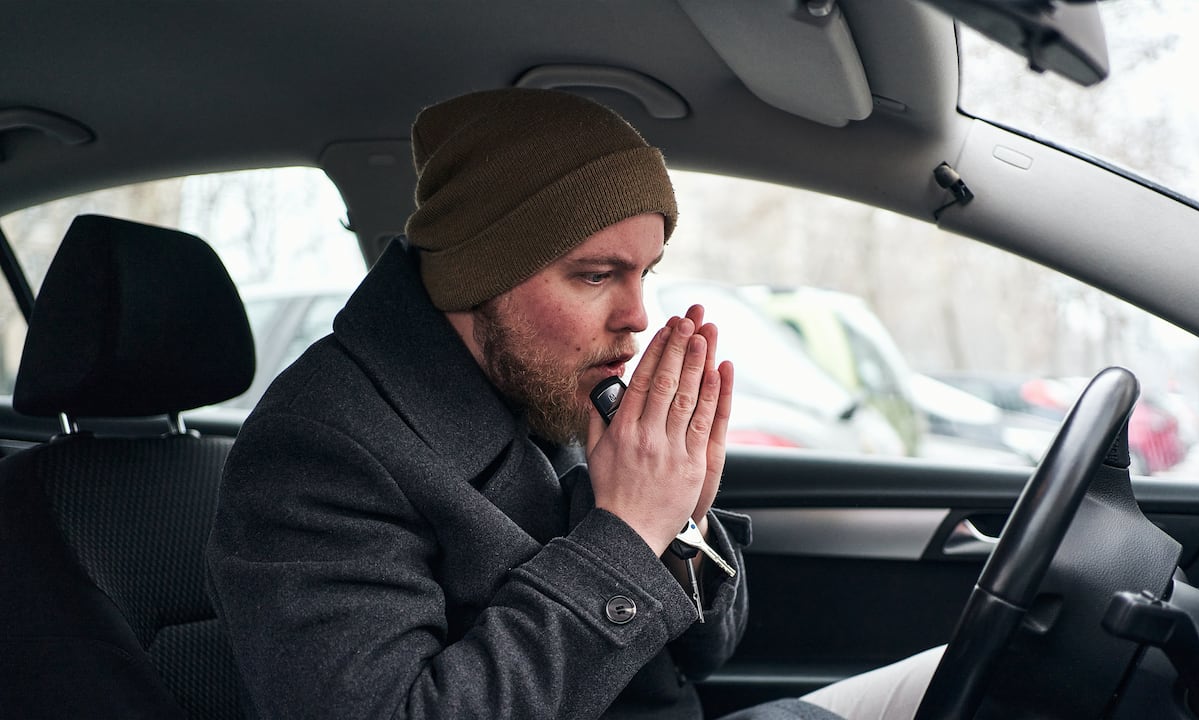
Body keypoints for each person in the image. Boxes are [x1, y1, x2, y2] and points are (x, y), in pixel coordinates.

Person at [207, 87, 938, 720]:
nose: (638, 315)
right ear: (477, 275)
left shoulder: (550, 385)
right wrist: (626, 530)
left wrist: (681, 524)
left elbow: (701, 658)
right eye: (595, 275)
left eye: (647, 271)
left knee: (960, 670)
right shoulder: (321, 448)